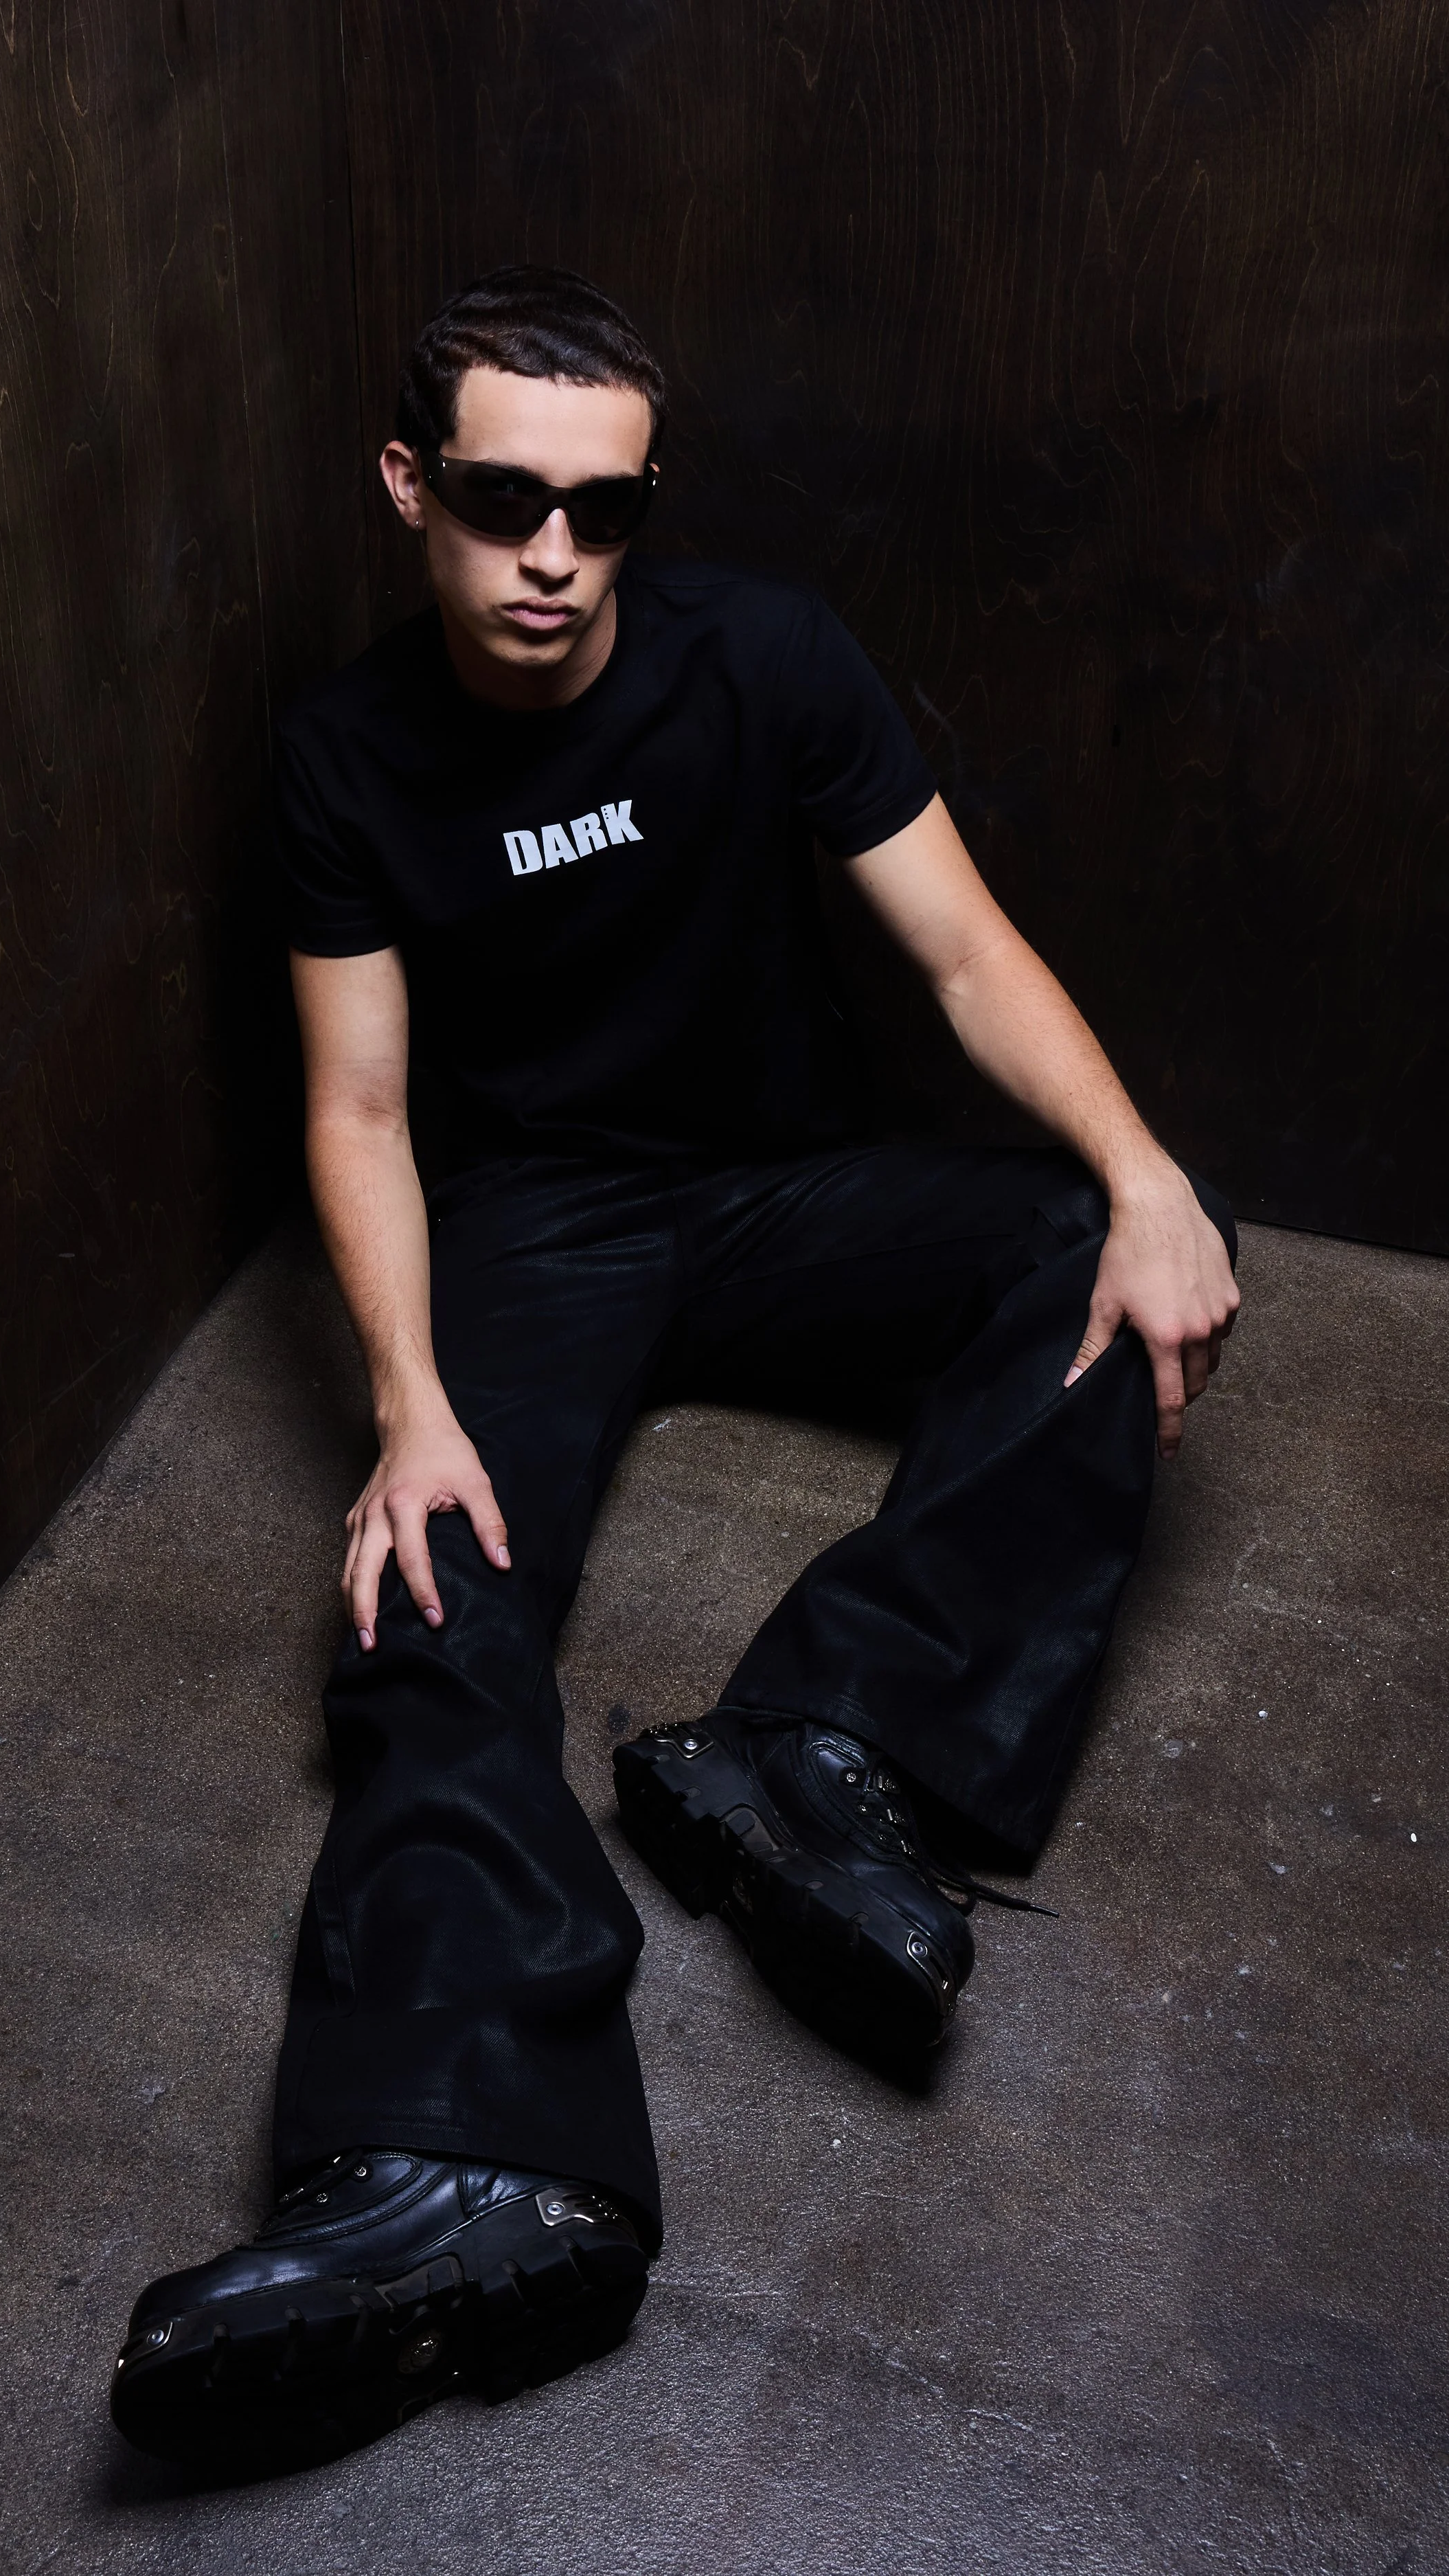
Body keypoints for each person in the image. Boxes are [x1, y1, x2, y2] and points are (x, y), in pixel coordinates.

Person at [109, 267, 1238, 2472]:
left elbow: (960, 947)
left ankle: (829, 1754)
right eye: (506, 500)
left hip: (788, 1190)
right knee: (426, 1595)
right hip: (540, 1232)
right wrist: (408, 1405)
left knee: (1094, 1252)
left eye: (600, 513)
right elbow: (353, 1108)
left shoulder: (766, 655)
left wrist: (1139, 1165)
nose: (552, 556)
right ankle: (464, 2159)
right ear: (410, 487)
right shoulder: (346, 754)